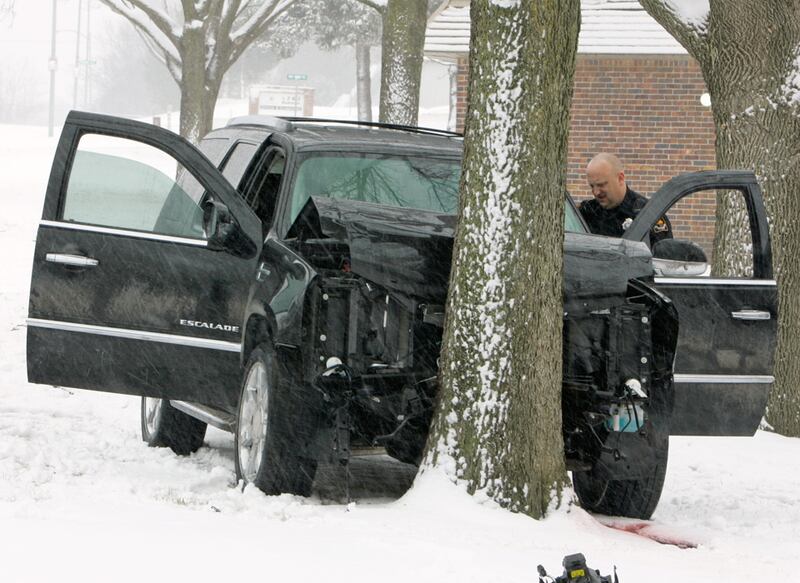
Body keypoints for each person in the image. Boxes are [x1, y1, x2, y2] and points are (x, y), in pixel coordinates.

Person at [579, 153, 672, 245]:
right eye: (592, 186)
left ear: (620, 178)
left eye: (601, 185)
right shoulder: (586, 212)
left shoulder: (648, 215)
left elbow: (663, 256)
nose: (596, 192)